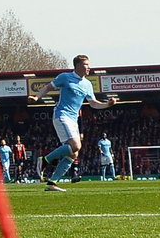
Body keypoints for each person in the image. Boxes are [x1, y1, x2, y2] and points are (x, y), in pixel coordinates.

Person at [27, 55, 117, 192]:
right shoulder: (65, 77)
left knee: (74, 154)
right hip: (61, 115)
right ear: (78, 66)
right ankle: (44, 160)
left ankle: (52, 183)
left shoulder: (87, 84)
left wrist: (107, 104)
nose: (89, 67)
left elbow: (93, 103)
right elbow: (48, 87)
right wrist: (36, 97)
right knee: (76, 145)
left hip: (73, 120)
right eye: (86, 64)